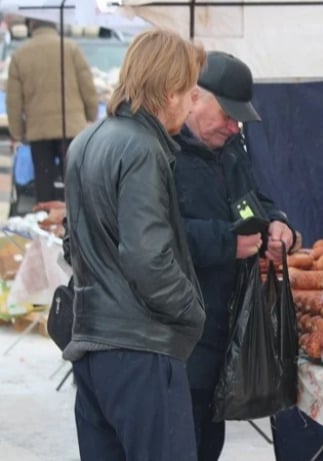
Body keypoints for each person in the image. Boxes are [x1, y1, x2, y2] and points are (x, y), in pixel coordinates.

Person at [62, 29, 206, 460]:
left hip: (92, 346)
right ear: (167, 91)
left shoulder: (87, 140)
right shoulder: (142, 148)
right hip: (139, 351)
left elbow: (74, 247)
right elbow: (148, 258)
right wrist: (193, 313)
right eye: (190, 90)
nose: (193, 101)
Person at [172, 50, 295, 461]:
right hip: (177, 341)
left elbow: (252, 200)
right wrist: (226, 242)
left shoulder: (231, 147)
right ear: (193, 97)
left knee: (209, 447)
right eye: (226, 114)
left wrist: (277, 224)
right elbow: (152, 237)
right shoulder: (159, 152)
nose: (233, 125)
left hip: (223, 336)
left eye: (238, 117)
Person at [5, 18, 98, 203]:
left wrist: (17, 131)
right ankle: (74, 225)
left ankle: (46, 222)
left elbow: (13, 101)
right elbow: (88, 87)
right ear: (55, 24)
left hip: (38, 131)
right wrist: (91, 115)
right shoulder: (71, 49)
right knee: (74, 184)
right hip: (71, 129)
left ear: (31, 27)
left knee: (44, 183)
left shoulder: (20, 54)